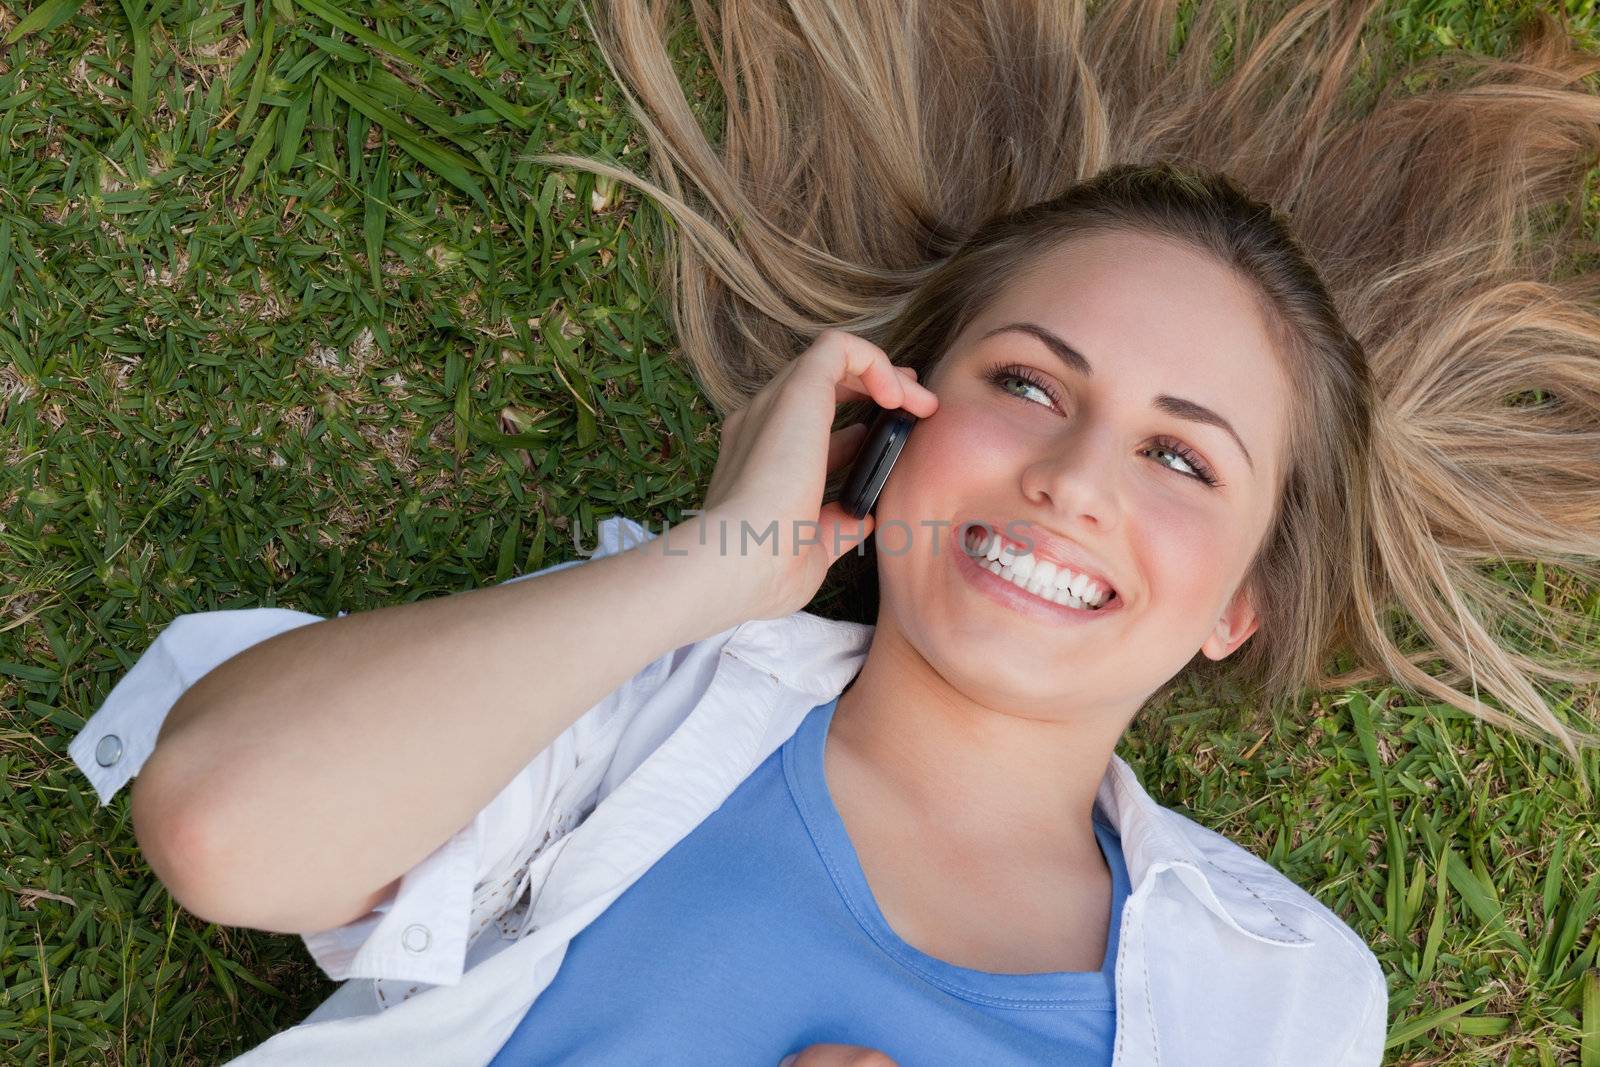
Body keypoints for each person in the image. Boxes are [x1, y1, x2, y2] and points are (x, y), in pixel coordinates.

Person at [68, 0, 1600, 1064]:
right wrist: (706, 564)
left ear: (1241, 604)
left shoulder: (1283, 997)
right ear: (892, 424)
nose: (1075, 479)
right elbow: (222, 823)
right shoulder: (647, 691)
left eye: (1181, 460)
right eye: (1026, 384)